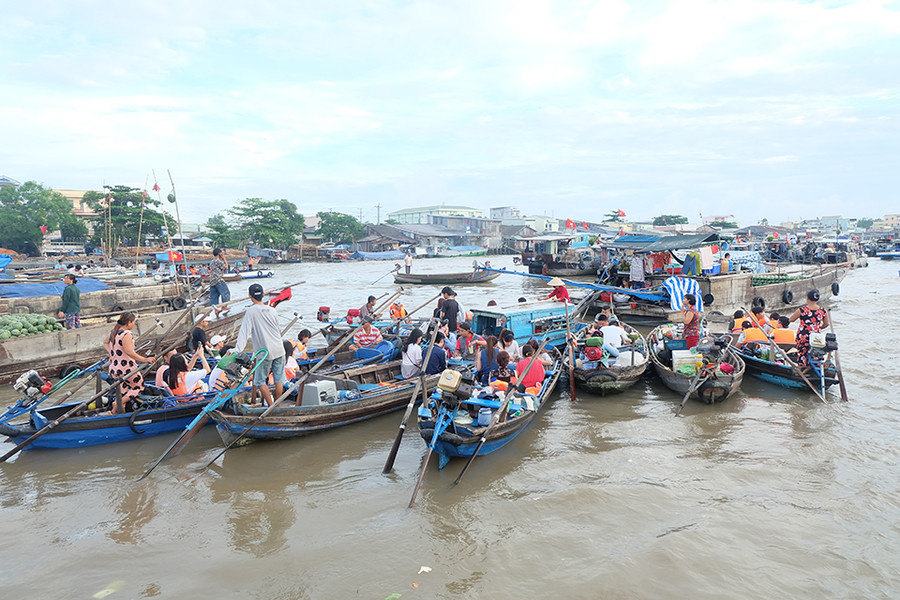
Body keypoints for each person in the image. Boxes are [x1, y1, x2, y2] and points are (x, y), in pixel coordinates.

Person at [234, 283, 286, 407]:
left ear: (250, 296)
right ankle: (277, 406)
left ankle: (271, 406)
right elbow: (278, 330)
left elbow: (244, 333)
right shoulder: (272, 310)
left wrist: (237, 350)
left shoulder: (251, 311)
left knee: (260, 381)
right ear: (263, 295)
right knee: (279, 380)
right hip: (279, 348)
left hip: (264, 352)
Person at [104, 312, 154, 414]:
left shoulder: (114, 332)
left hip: (115, 368)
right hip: (126, 368)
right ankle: (117, 404)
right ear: (129, 323)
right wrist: (144, 359)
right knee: (138, 386)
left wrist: (112, 354)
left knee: (122, 391)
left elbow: (105, 343)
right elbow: (129, 351)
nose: (134, 324)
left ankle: (115, 412)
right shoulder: (126, 334)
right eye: (133, 322)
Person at [789, 289, 829, 366]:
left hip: (803, 335)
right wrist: (818, 328)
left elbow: (791, 319)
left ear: (807, 298)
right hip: (816, 336)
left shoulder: (802, 310)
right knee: (815, 352)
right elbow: (826, 324)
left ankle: (802, 366)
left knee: (802, 353)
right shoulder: (823, 311)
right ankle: (814, 366)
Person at [208, 248, 231, 316]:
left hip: (212, 280)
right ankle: (224, 306)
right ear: (219, 254)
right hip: (218, 279)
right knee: (226, 293)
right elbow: (226, 267)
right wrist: (224, 259)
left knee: (214, 296)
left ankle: (216, 310)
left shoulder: (212, 261)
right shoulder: (218, 261)